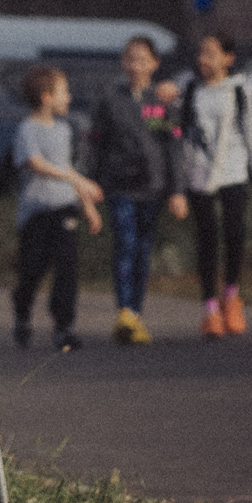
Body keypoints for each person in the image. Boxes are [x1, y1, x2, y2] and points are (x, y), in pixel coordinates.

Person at [88, 35, 179, 345]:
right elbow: (96, 144)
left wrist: (176, 190)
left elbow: (173, 146)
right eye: (129, 58)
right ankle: (124, 311)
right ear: (122, 63)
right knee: (125, 245)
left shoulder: (164, 101)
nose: (135, 65)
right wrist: (91, 183)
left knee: (143, 250)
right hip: (119, 186)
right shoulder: (110, 99)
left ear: (154, 63)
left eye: (142, 59)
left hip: (153, 188)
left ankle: (135, 314)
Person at [169, 32, 252, 340]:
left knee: (235, 234)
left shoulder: (240, 90)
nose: (202, 59)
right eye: (200, 53)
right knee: (207, 239)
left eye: (210, 53)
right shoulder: (188, 89)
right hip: (198, 172)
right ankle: (210, 310)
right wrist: (160, 102)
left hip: (233, 170)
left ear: (227, 58)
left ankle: (231, 296)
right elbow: (168, 128)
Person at [12, 65, 101, 352]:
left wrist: (87, 204)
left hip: (64, 208)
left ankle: (64, 327)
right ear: (46, 97)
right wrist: (77, 179)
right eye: (64, 92)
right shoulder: (28, 129)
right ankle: (22, 310)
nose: (69, 97)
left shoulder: (64, 130)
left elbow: (68, 168)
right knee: (33, 268)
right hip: (37, 211)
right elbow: (36, 164)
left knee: (67, 268)